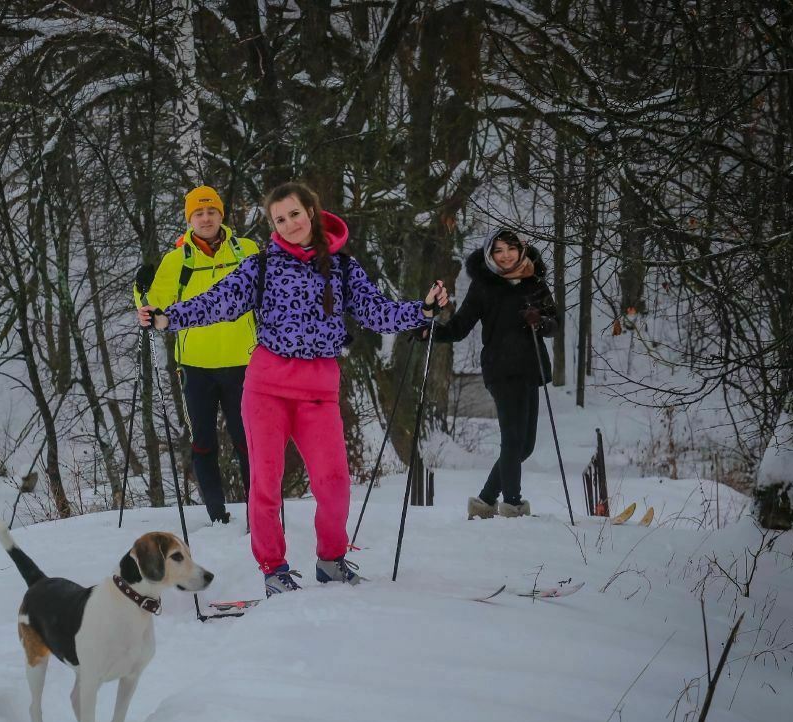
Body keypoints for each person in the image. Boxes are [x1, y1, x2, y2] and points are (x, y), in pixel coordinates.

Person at [139, 181, 448, 598]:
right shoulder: (261, 265)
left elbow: (377, 312)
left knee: (334, 480)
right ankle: (274, 568)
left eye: (295, 215)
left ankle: (331, 560)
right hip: (267, 386)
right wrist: (166, 318)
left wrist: (422, 311)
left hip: (319, 388)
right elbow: (217, 301)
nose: (289, 224)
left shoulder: (342, 267)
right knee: (265, 483)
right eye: (279, 219)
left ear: (312, 212)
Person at [138, 186, 259, 524]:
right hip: (196, 366)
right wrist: (142, 296)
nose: (206, 218)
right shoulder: (177, 260)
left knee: (248, 440)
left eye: (211, 212)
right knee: (203, 441)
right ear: (189, 219)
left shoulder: (248, 251)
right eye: (198, 214)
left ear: (222, 215)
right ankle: (216, 514)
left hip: (244, 363)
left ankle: (258, 512)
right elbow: (153, 303)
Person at [427, 229, 557, 519]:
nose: (506, 255)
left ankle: (485, 501)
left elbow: (555, 323)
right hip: (500, 369)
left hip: (530, 369)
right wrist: (430, 331)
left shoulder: (533, 282)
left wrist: (541, 322)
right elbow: (459, 328)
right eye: (498, 250)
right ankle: (512, 504)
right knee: (512, 441)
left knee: (525, 447)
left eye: (510, 249)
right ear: (490, 255)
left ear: (521, 250)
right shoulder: (484, 285)